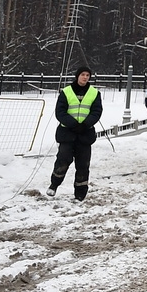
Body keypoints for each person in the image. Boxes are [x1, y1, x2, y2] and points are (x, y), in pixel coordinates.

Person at [49, 67, 103, 201]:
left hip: (85, 134)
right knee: (63, 160)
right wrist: (73, 124)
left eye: (87, 75)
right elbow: (60, 112)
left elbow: (96, 112)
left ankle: (80, 193)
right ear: (77, 76)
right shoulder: (66, 92)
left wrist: (85, 124)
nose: (85, 77)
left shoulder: (94, 93)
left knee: (83, 165)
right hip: (67, 133)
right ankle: (54, 184)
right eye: (82, 74)